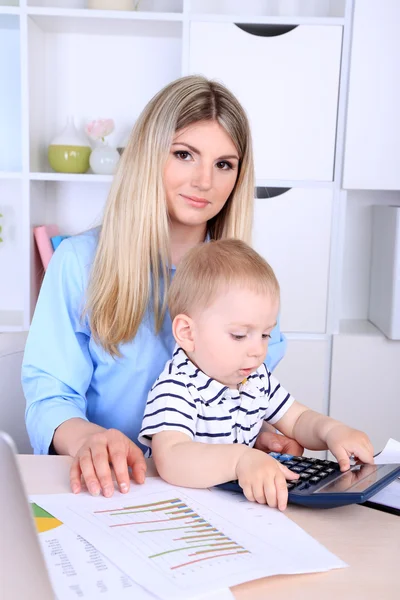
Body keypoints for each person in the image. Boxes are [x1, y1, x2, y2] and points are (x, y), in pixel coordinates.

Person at [22, 75, 303, 499]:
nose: (204, 181)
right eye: (185, 155)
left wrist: (258, 430)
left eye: (224, 164)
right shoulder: (79, 263)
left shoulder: (245, 283)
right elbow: (50, 395)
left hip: (214, 494)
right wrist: (86, 440)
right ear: (149, 156)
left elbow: (241, 390)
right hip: (112, 491)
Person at [138, 239, 375, 511]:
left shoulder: (254, 379)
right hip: (176, 508)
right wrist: (240, 460)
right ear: (188, 333)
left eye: (265, 335)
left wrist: (331, 430)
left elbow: (296, 418)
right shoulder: (177, 386)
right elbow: (171, 458)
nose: (257, 350)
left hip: (234, 509)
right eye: (239, 335)